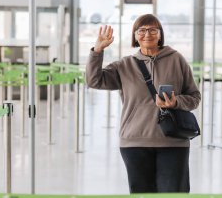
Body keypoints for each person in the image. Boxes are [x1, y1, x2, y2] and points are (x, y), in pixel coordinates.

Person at [86, 14, 201, 193]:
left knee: (174, 195)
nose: (147, 34)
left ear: (160, 34)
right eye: (142, 30)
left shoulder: (177, 60)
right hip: (134, 143)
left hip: (173, 143)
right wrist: (97, 52)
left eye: (153, 30)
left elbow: (194, 97)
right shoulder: (124, 65)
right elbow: (94, 81)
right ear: (135, 36)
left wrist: (176, 102)